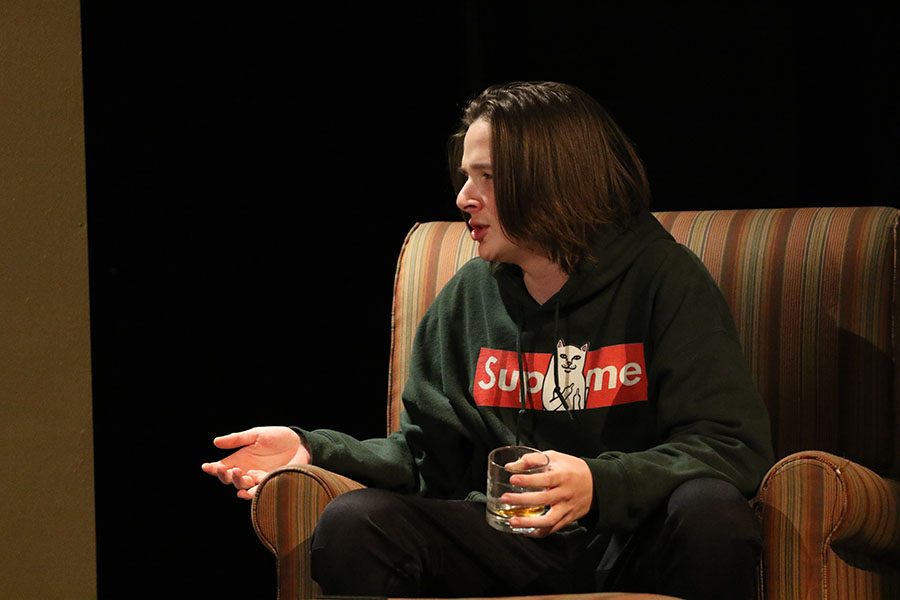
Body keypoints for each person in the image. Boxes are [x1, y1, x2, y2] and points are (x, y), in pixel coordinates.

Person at [202, 81, 774, 599]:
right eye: (466, 176)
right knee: (357, 522)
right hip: (508, 541)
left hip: (631, 539)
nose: (463, 197)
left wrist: (599, 484)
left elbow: (728, 447)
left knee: (711, 512)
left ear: (553, 178)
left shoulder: (662, 279)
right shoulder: (471, 292)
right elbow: (427, 457)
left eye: (489, 178)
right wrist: (314, 449)